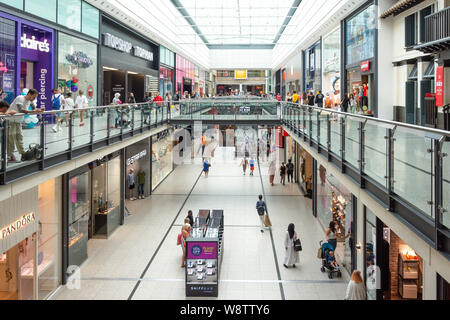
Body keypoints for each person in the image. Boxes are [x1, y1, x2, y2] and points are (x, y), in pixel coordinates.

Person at [7, 89, 42, 162]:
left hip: (18, 121)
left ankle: (23, 154)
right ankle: (10, 156)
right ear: (29, 94)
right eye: (33, 97)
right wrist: (34, 111)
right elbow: (21, 110)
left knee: (19, 138)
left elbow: (34, 108)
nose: (34, 99)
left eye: (35, 97)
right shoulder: (20, 98)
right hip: (10, 121)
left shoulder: (30, 101)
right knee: (11, 139)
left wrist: (39, 110)